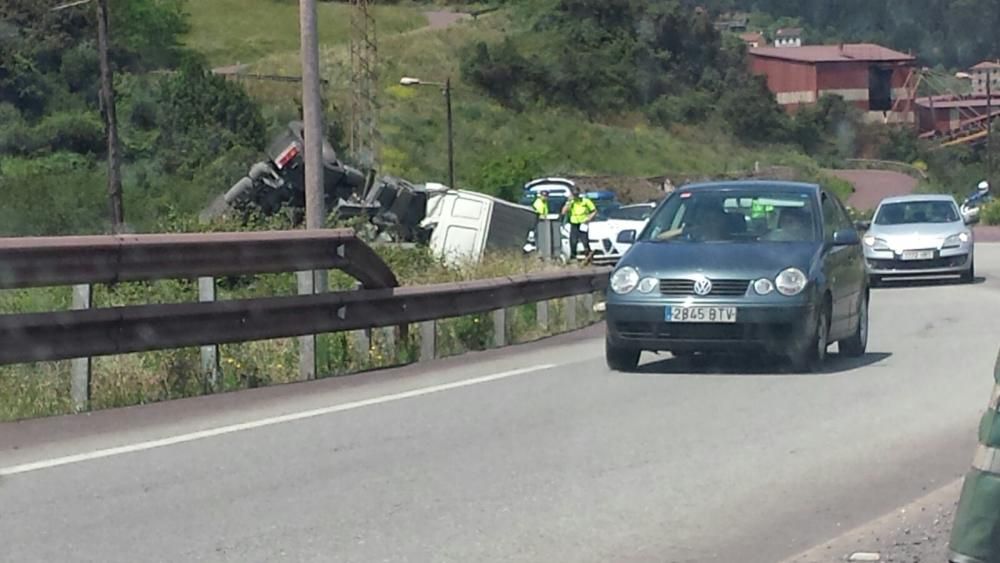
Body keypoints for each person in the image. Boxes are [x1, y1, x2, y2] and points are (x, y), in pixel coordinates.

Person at [562, 189, 597, 261]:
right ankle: (573, 257)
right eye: (574, 195)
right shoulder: (571, 202)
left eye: (577, 195)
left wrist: (589, 218)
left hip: (583, 223)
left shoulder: (585, 201)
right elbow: (563, 212)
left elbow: (594, 211)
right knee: (573, 241)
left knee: (585, 241)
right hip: (574, 223)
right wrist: (568, 202)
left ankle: (588, 257)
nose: (576, 196)